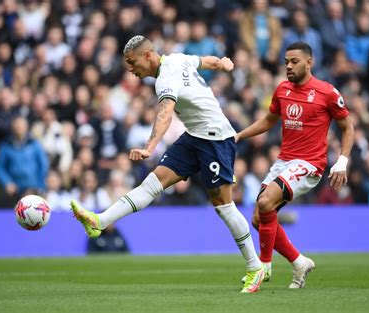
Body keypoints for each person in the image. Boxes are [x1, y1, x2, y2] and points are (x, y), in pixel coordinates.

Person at [71, 35, 266, 293]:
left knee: (224, 207)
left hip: (216, 139)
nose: (130, 69)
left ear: (148, 56)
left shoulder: (165, 78)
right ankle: (99, 221)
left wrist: (150, 146)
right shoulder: (177, 58)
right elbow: (202, 61)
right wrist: (220, 64)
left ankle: (255, 267)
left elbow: (165, 112)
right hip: (195, 136)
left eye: (132, 62)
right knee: (153, 182)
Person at [236, 42, 354, 289]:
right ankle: (299, 262)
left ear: (309, 62)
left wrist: (342, 161)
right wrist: (239, 136)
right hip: (284, 162)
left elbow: (347, 127)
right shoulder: (282, 90)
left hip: (310, 164)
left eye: (294, 61)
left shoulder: (327, 92)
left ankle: (263, 267)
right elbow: (269, 120)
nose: (288, 66)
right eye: (286, 61)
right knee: (259, 218)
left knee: (266, 202)